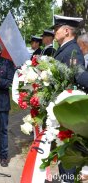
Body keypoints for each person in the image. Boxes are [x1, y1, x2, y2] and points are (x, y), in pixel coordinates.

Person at [52, 14, 84, 183]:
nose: (54, 32)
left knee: (69, 155)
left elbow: (79, 77)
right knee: (63, 153)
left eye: (57, 29)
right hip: (61, 112)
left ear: (66, 31)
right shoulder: (64, 49)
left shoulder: (72, 50)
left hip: (69, 113)